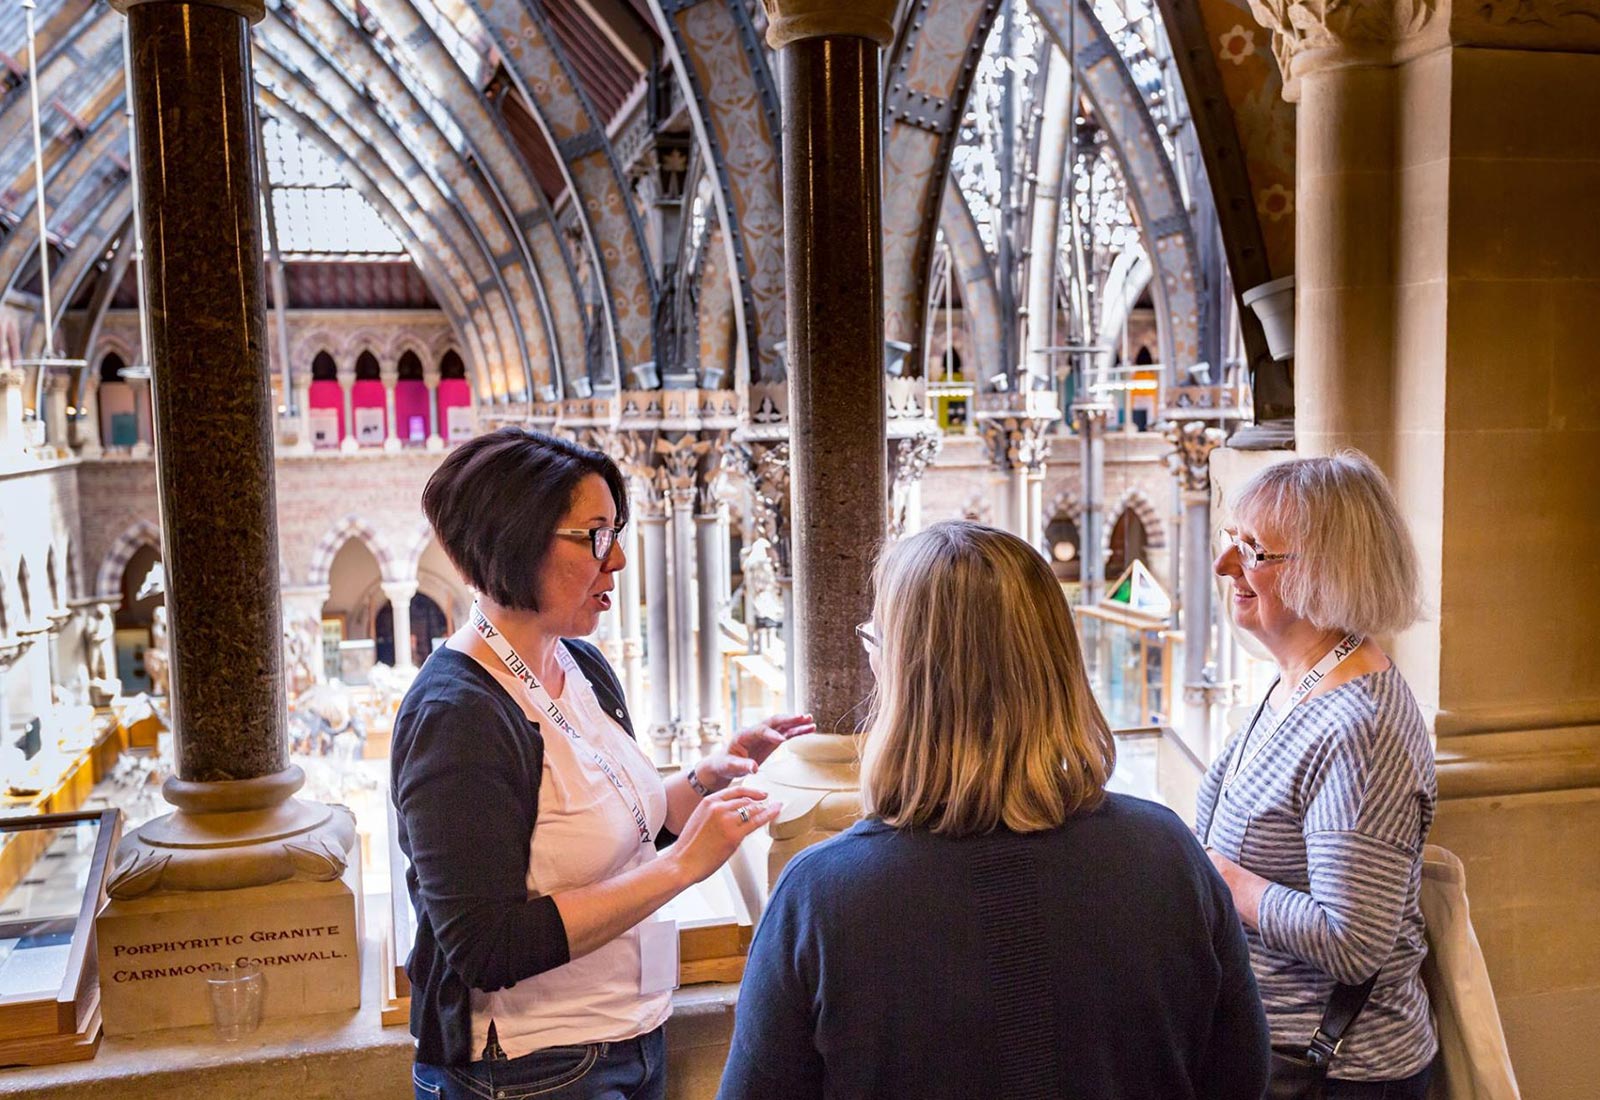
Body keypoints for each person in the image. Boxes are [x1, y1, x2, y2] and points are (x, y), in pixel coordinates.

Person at [719, 521, 1269, 1100]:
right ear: (1057, 662)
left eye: (875, 642)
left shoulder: (822, 897)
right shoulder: (1167, 854)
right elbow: (1240, 1077)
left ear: (905, 678)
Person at [393, 427, 814, 1100]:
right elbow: (484, 946)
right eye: (594, 535)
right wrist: (683, 868)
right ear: (518, 540)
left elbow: (617, 826)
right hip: (529, 1070)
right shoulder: (457, 715)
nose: (616, 558)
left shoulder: (576, 660)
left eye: (613, 531)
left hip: (630, 1038)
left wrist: (706, 777)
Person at [1198, 450, 1437, 1098]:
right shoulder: (1295, 687)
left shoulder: (1361, 729)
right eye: (1231, 543)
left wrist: (1219, 875)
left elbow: (1352, 941)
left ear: (1326, 572)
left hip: (1340, 1075)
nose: (1225, 567)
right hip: (1274, 1052)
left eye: (1252, 551)